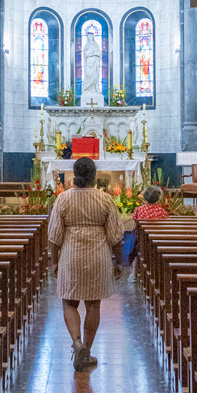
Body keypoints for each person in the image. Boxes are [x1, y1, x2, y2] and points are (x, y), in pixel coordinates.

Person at [47, 154, 123, 371]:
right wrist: (117, 261)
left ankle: (77, 343)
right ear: (93, 176)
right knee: (93, 304)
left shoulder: (63, 199)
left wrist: (55, 261)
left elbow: (54, 236)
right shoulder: (105, 199)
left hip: (70, 254)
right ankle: (86, 351)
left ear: (75, 176)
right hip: (97, 255)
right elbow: (116, 236)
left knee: (69, 301)